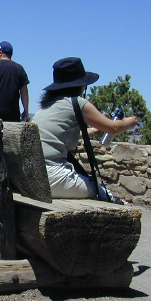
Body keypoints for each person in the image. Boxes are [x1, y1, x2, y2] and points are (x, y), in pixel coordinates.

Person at [31, 57, 138, 199]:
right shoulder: (77, 102)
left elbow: (57, 135)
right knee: (102, 192)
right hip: (51, 177)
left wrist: (93, 131)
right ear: (81, 85)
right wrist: (131, 121)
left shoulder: (46, 105)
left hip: (29, 175)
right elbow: (113, 128)